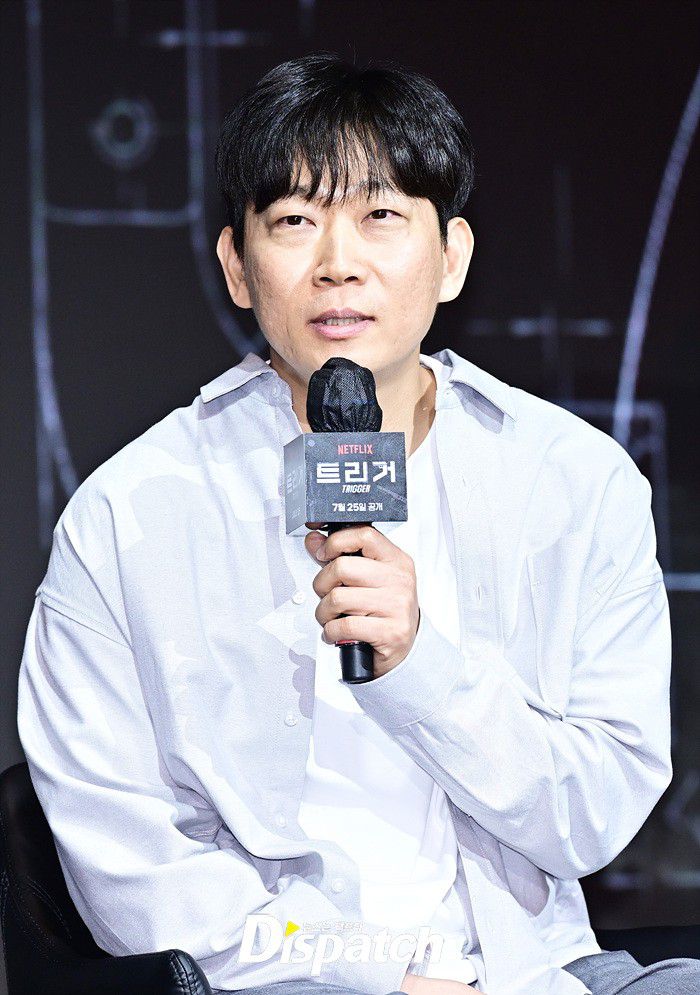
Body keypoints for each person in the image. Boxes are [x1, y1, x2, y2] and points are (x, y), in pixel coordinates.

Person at [16, 52, 699, 995]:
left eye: (380, 216)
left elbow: (598, 813)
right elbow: (131, 870)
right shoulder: (126, 516)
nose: (338, 262)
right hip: (281, 981)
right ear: (237, 267)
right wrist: (380, 977)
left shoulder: (576, 482)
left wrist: (421, 665)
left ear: (452, 257)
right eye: (295, 221)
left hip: (538, 971)